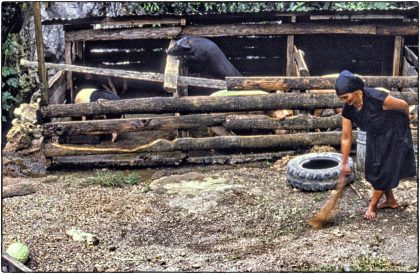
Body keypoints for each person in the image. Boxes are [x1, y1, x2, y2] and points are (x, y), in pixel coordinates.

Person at [335, 70, 416, 220]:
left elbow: (403, 105)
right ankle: (391, 201)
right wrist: (344, 162)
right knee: (373, 168)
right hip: (375, 135)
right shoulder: (348, 108)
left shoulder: (377, 98)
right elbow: (346, 137)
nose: (344, 101)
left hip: (394, 133)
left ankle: (372, 206)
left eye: (346, 97)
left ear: (356, 90)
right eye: (341, 98)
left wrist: (405, 122)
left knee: (383, 170)